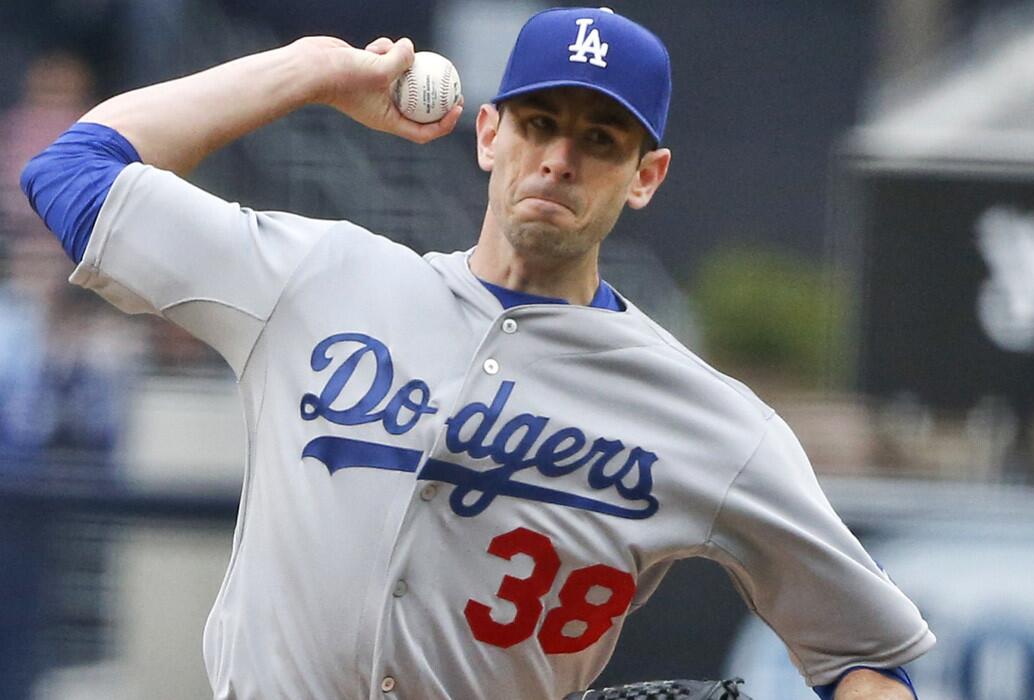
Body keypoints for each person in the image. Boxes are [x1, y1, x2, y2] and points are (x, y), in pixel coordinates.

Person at [21, 7, 933, 699]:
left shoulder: (707, 419)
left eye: (599, 139)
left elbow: (865, 651)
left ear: (645, 176)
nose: (559, 158)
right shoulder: (316, 278)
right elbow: (73, 173)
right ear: (490, 133)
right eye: (539, 124)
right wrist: (309, 70)